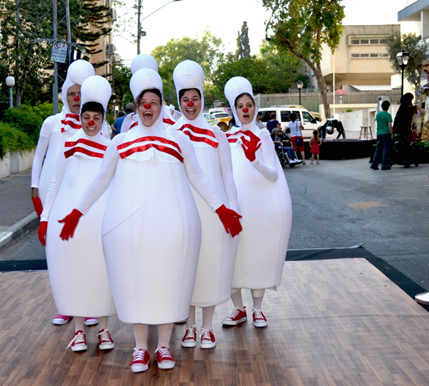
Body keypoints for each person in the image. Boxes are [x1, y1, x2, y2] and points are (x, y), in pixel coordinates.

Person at [58, 68, 242, 373]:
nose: (148, 108)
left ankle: (164, 347)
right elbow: (101, 181)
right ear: (135, 105)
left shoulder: (178, 139)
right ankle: (141, 349)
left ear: (161, 106)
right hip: (131, 231)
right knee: (137, 285)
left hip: (173, 230)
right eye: (142, 102)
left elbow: (197, 176)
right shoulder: (120, 143)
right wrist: (77, 211)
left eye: (154, 102)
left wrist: (221, 208)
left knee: (168, 285)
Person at [38, 75, 116, 352]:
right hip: (66, 218)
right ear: (80, 117)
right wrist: (46, 216)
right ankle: (79, 330)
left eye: (96, 117)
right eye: (87, 116)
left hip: (100, 220)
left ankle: (104, 330)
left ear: (103, 118)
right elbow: (55, 183)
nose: (91, 121)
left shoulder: (111, 148)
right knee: (73, 273)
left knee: (102, 273)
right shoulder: (69, 143)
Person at [170, 60, 240, 350]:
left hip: (215, 214)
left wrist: (234, 210)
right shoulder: (171, 134)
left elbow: (228, 177)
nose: (190, 104)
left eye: (194, 99)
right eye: (185, 100)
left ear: (202, 98)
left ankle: (208, 327)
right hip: (183, 211)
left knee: (210, 267)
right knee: (187, 269)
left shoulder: (217, 134)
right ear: (179, 101)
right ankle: (188, 326)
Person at [29, 59, 97, 327]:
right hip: (52, 193)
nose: (76, 98)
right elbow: (38, 157)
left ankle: (91, 304)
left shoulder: (95, 125)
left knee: (87, 249)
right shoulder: (51, 123)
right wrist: (35, 190)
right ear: (64, 94)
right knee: (58, 253)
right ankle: (64, 305)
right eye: (72, 93)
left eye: (81, 93)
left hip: (83, 196)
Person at [222, 76, 292, 329]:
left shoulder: (262, 136)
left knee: (256, 256)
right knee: (231, 258)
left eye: (249, 104)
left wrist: (255, 161)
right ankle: (238, 308)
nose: (245, 109)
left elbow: (273, 174)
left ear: (255, 108)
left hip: (259, 208)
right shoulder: (225, 138)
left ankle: (258, 309)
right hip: (234, 208)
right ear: (234, 109)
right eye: (240, 105)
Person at [370, 100, 393, 170]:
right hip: (386, 134)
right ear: (388, 107)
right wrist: (392, 134)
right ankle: (384, 165)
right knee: (385, 150)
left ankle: (374, 164)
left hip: (379, 133)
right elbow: (390, 126)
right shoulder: (388, 115)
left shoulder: (378, 114)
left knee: (378, 150)